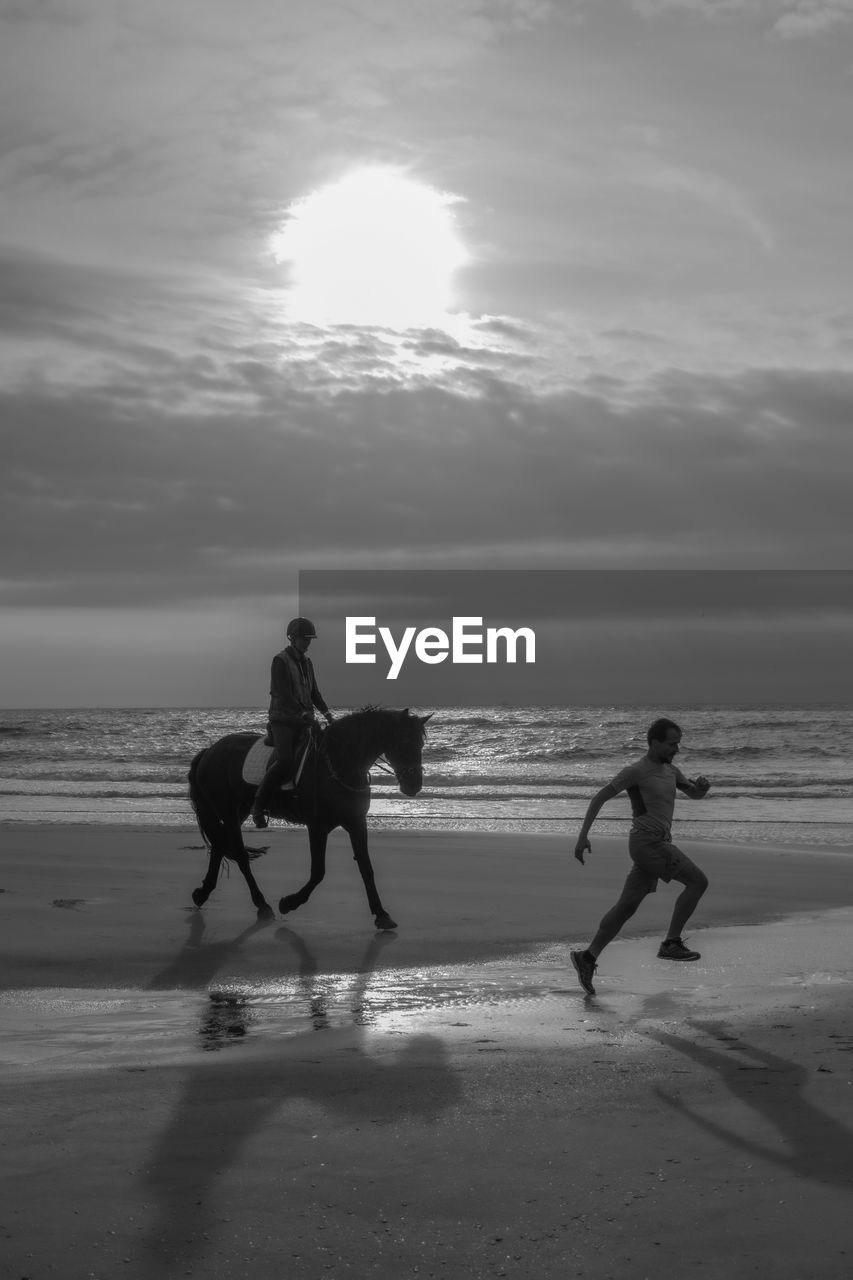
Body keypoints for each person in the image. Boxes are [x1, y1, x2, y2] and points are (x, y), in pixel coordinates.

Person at [569, 717, 711, 996]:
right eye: (671, 744)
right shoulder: (636, 771)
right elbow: (599, 798)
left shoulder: (671, 770)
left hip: (656, 843)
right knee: (697, 882)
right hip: (647, 844)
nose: (676, 749)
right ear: (654, 742)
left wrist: (702, 790)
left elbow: (692, 794)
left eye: (678, 744)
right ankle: (671, 942)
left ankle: (587, 957)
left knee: (627, 906)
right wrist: (582, 836)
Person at [250, 617, 334, 828]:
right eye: (305, 639)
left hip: (304, 721)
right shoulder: (280, 661)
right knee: (286, 760)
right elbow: (283, 693)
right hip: (283, 721)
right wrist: (303, 714)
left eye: (309, 639)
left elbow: (314, 693)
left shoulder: (308, 663)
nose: (308, 643)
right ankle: (258, 804)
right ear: (293, 638)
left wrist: (327, 714)